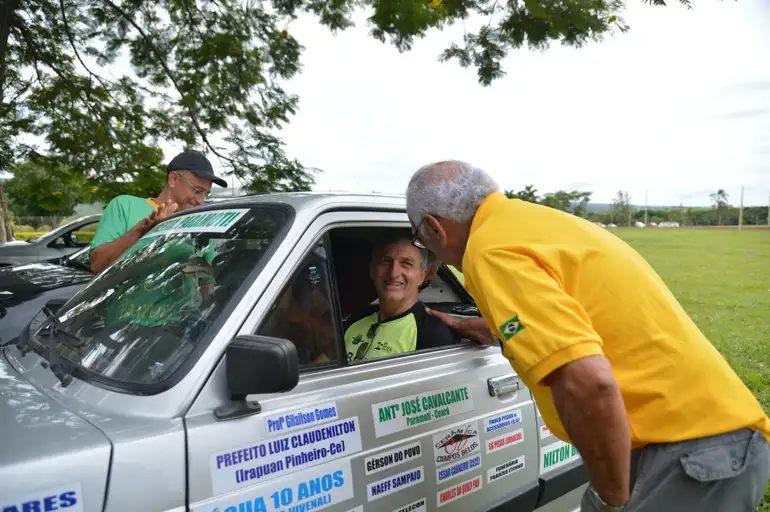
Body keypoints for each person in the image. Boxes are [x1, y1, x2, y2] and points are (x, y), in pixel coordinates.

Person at [405, 160, 770, 512]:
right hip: (714, 439)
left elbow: (588, 381)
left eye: (418, 239)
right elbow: (570, 320)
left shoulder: (490, 253)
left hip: (686, 455)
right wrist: (479, 328)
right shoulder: (535, 223)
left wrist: (612, 500)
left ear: (435, 229)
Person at [89, 150, 227, 273]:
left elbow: (205, 283)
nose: (201, 200)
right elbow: (97, 265)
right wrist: (140, 232)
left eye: (205, 194)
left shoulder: (200, 226)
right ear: (173, 179)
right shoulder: (124, 206)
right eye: (197, 190)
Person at [344, 235, 456, 362]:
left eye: (406, 264)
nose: (393, 273)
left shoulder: (430, 333)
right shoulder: (356, 318)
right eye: (385, 261)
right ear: (372, 270)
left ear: (422, 276)